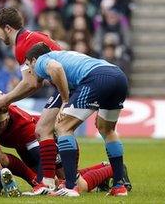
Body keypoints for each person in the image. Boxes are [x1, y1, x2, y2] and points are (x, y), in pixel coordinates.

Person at [24, 43, 129, 197]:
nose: (29, 70)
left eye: (28, 65)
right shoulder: (65, 55)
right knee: (107, 130)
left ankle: (71, 186)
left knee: (63, 127)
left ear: (33, 60)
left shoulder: (41, 60)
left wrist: (65, 101)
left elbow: (56, 68)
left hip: (97, 77)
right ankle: (119, 186)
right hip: (118, 76)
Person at [0, 7, 62, 194]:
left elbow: (31, 84)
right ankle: (109, 173)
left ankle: (49, 184)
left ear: (7, 28)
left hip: (68, 88)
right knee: (56, 136)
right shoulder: (31, 37)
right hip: (66, 87)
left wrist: (5, 99)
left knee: (43, 130)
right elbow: (34, 82)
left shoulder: (22, 46)